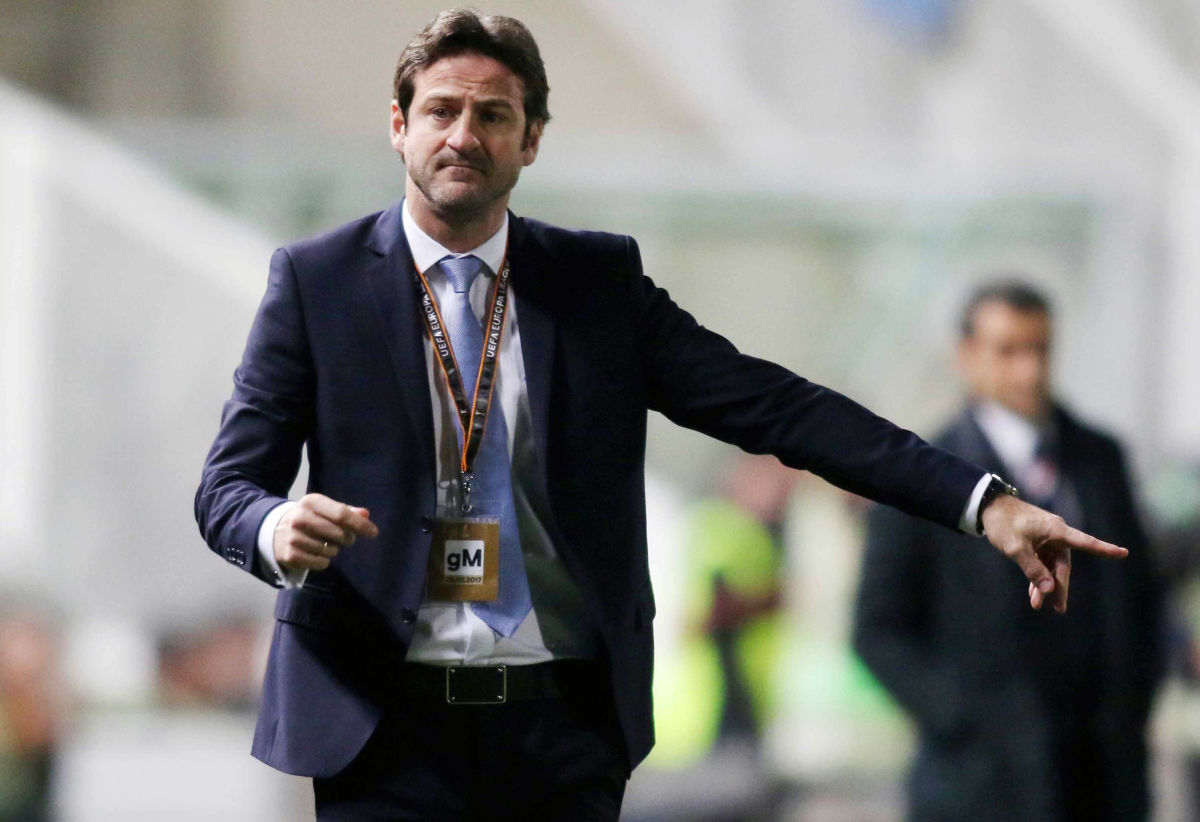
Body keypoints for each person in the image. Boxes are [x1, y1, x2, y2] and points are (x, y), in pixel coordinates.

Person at [194, 11, 1127, 820]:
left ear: (532, 138)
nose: (463, 134)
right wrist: (275, 525)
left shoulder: (595, 283)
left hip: (558, 730)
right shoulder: (315, 284)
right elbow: (227, 488)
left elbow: (780, 408)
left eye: (493, 114)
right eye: (440, 110)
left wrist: (985, 502)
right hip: (380, 722)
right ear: (399, 127)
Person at [853, 281, 1165, 822]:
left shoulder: (1100, 459)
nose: (1029, 370)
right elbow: (878, 629)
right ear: (967, 356)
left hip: (1100, 778)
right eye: (1008, 351)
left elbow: (1139, 595)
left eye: (1039, 349)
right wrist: (961, 716)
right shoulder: (923, 474)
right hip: (979, 785)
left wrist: (1132, 704)